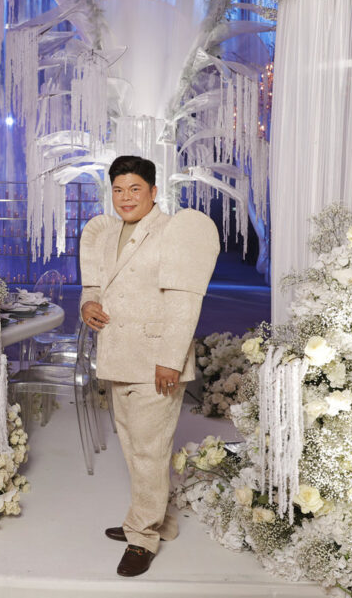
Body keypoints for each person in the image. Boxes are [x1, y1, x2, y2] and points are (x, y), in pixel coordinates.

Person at [79, 155, 219, 577]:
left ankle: (142, 536)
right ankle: (161, 520)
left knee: (147, 450)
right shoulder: (106, 232)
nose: (126, 197)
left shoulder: (175, 232)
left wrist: (170, 361)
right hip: (119, 356)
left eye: (135, 189)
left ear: (153, 192)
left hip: (157, 361)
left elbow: (184, 303)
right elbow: (95, 284)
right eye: (118, 190)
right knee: (136, 447)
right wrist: (88, 303)